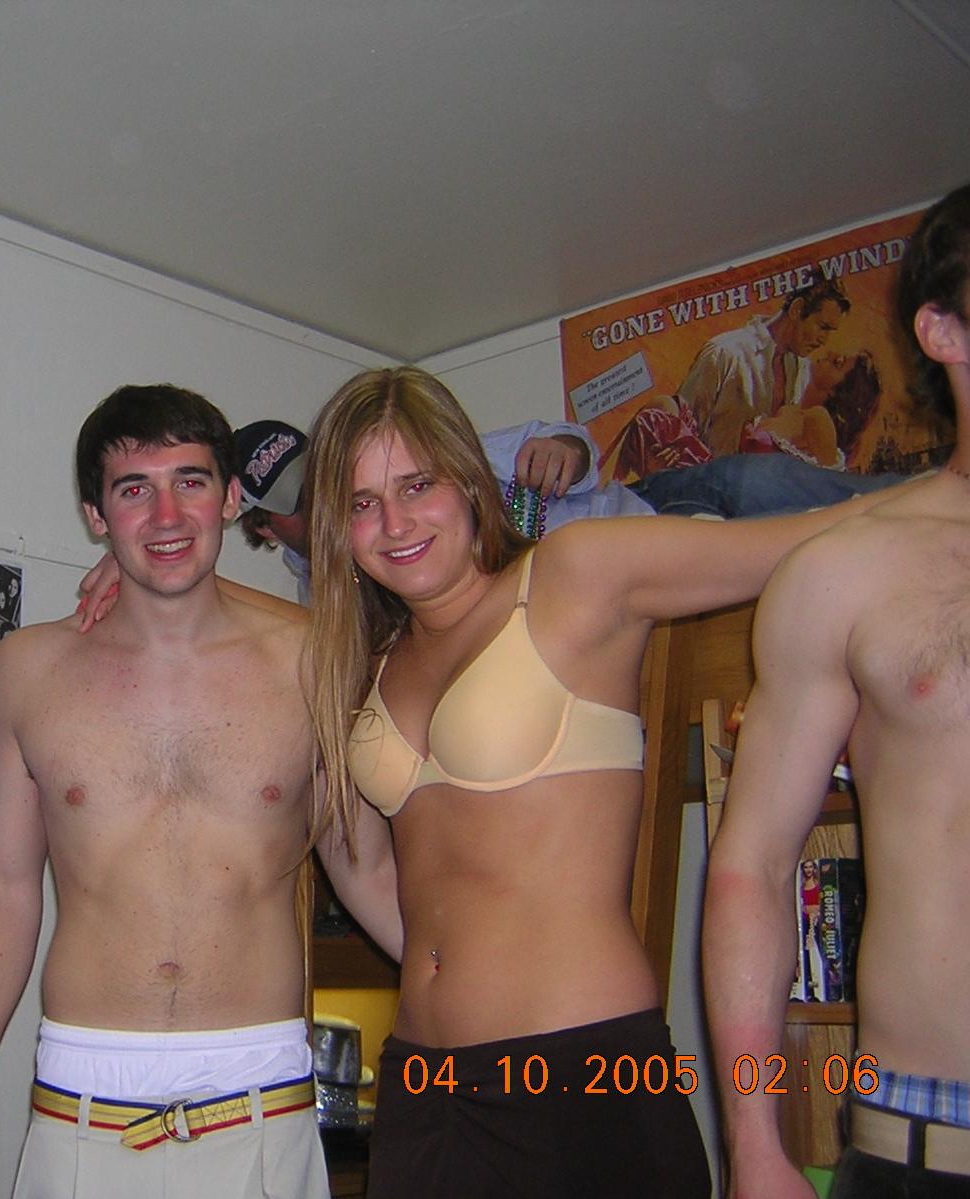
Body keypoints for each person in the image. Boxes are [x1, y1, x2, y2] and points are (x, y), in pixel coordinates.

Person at [300, 364, 904, 1199]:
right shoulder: (363, 664)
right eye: (363, 502)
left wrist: (947, 492)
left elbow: (811, 535)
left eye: (416, 485)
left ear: (469, 480)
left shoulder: (574, 575)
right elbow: (364, 863)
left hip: (582, 1070)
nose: (394, 523)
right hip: (424, 1086)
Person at [0, 384, 400, 1199]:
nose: (167, 515)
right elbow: (4, 884)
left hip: (261, 1082)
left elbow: (366, 864)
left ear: (232, 498)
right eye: (134, 490)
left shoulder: (313, 659)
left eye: (191, 482)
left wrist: (473, 992)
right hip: (83, 1083)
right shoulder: (28, 670)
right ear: (96, 516)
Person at [703, 184, 970, 1198]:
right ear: (942, 331)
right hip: (924, 1146)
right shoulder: (847, 571)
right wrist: (754, 1141)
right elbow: (753, 867)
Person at [234, 417, 648, 601]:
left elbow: (562, 442)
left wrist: (565, 451)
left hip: (642, 522)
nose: (326, 503)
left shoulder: (425, 463)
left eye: (326, 480)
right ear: (264, 526)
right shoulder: (330, 594)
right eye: (302, 501)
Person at [678, 276, 852, 457]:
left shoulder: (801, 368)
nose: (824, 340)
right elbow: (678, 429)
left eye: (830, 331)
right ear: (797, 309)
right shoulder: (725, 353)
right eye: (822, 327)